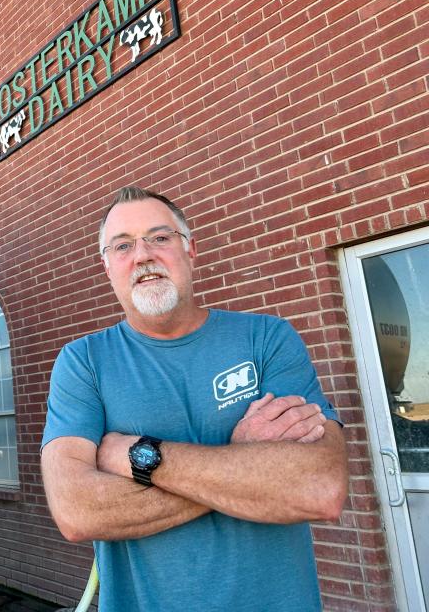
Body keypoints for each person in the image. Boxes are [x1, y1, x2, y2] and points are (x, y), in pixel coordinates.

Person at [40, 186, 348, 612]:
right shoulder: (84, 363)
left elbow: (320, 487)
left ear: (191, 250)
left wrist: (136, 456)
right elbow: (77, 512)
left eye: (160, 237)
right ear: (107, 266)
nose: (143, 254)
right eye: (123, 245)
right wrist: (247, 463)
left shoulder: (267, 339)